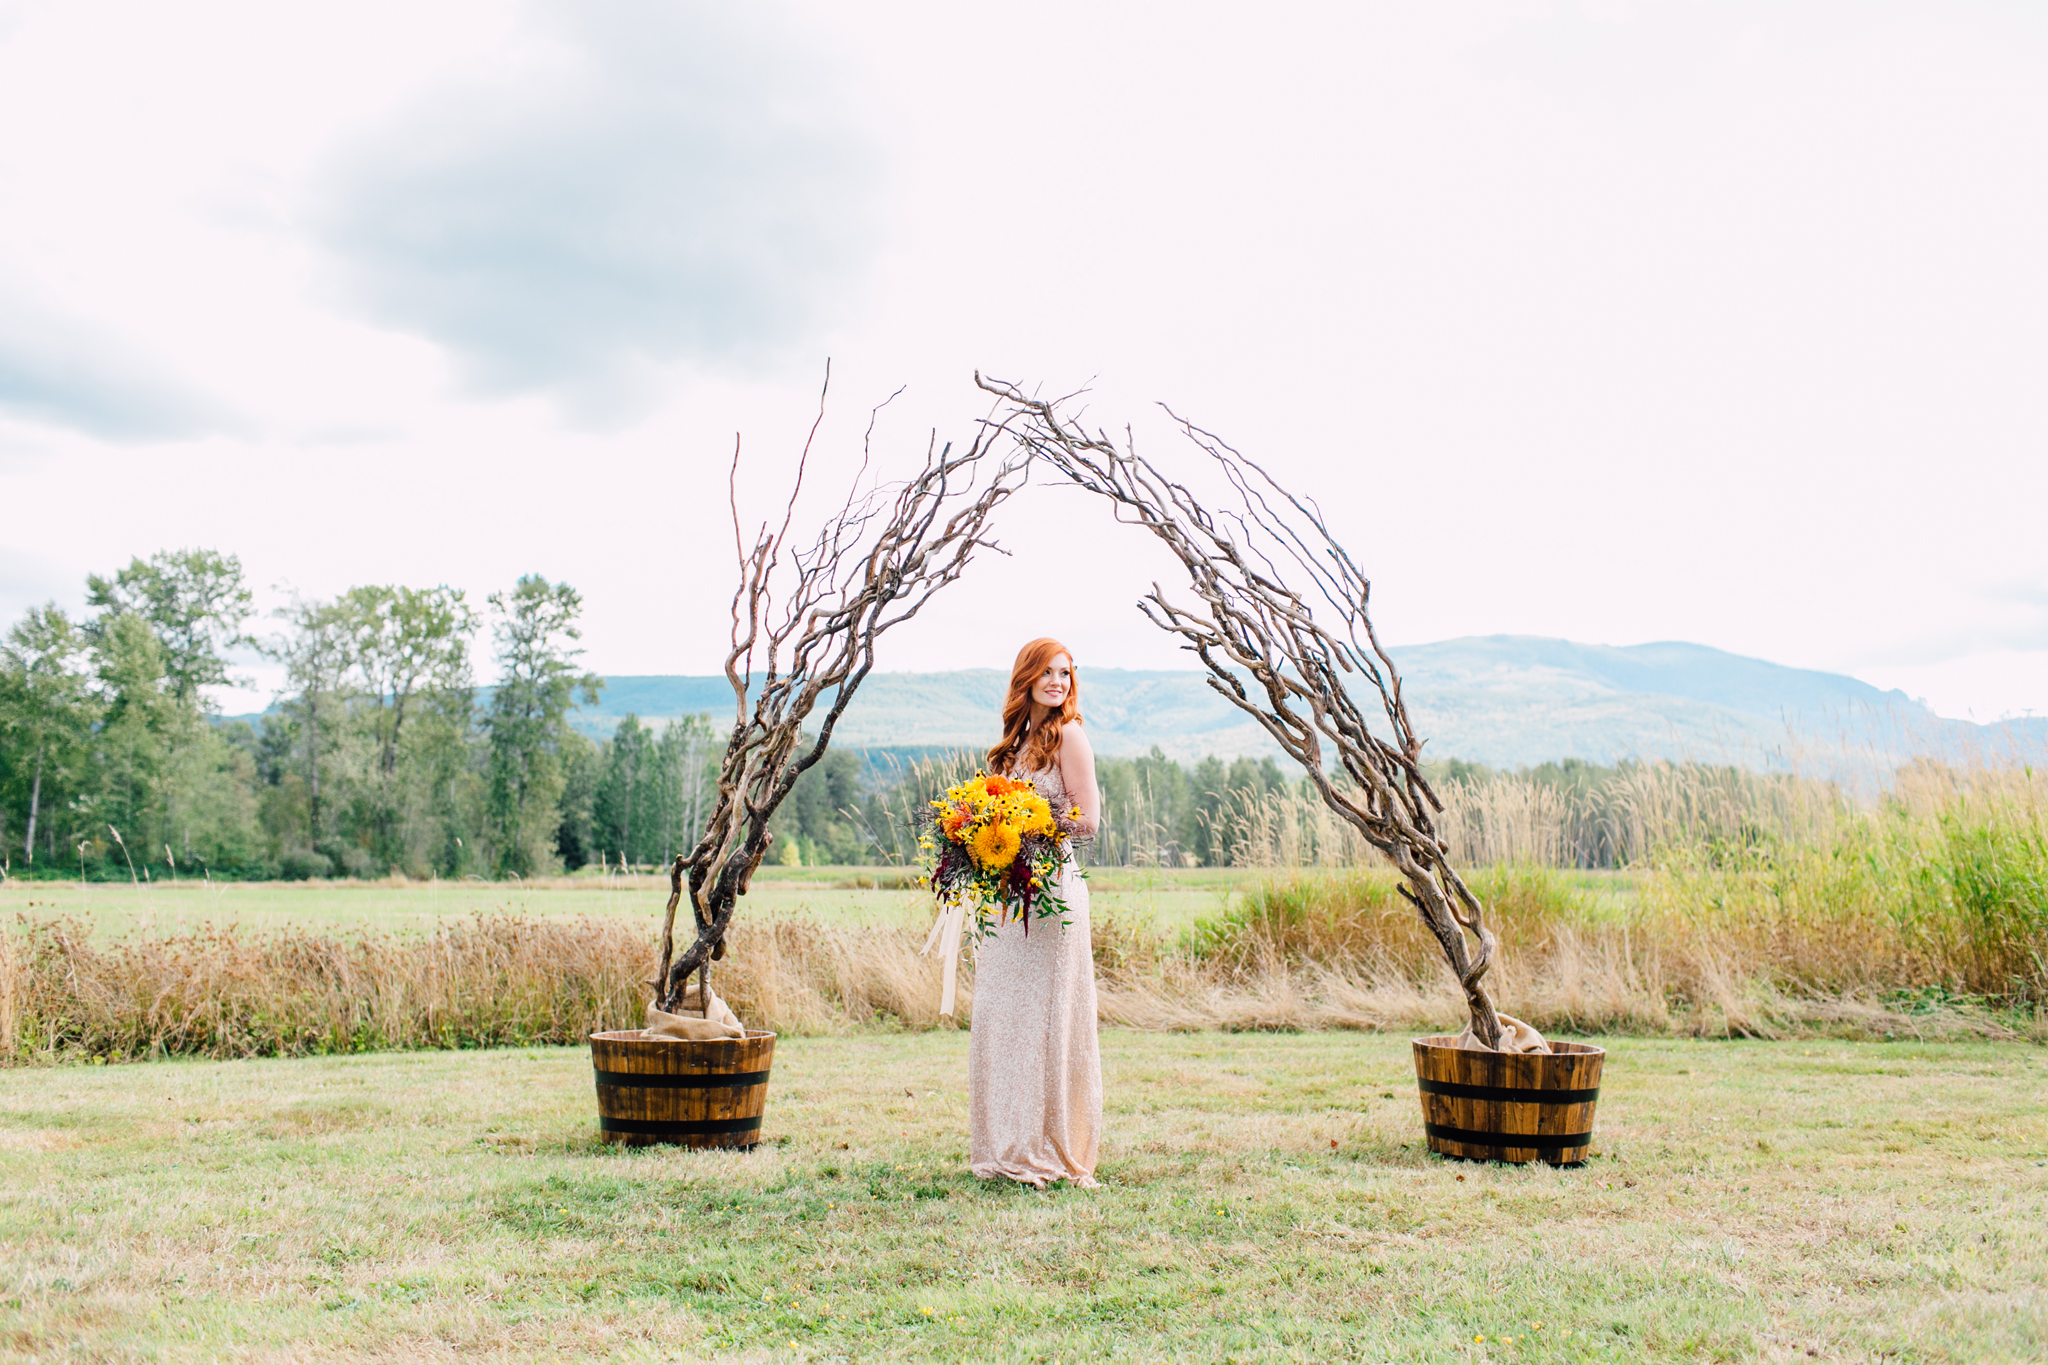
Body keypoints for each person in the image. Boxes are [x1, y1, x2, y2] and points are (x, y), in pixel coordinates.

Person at [968, 637, 1104, 1188]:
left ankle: (1048, 1146)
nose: (1057, 682)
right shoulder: (1011, 746)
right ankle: (1006, 1144)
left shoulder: (1069, 735)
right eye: (1047, 672)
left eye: (1065, 674)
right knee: (1003, 1015)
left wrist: (1032, 825)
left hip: (1052, 893)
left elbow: (1088, 819)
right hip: (1008, 892)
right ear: (1025, 677)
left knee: (1047, 1016)